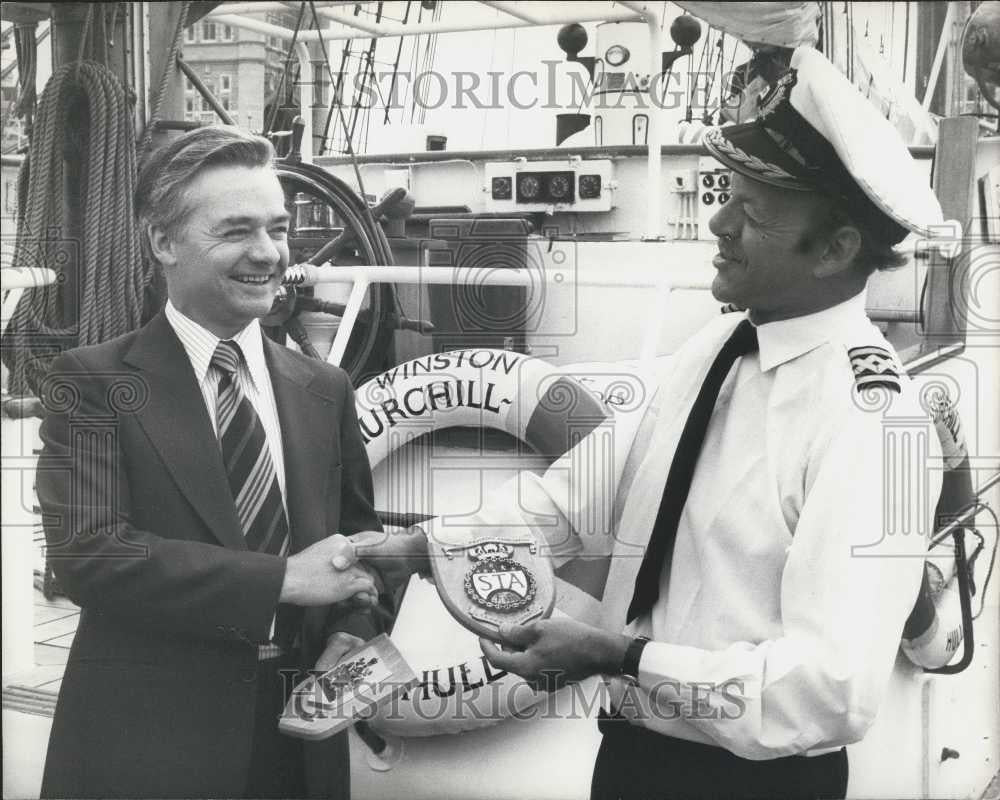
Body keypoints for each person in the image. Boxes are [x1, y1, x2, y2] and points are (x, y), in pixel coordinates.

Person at [354, 47, 949, 799]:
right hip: (634, 759)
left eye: (752, 213)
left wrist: (621, 657)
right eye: (727, 195)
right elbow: (577, 494)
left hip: (752, 784)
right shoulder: (718, 348)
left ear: (835, 249)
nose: (718, 222)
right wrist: (423, 549)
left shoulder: (879, 425)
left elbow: (830, 691)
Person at [37, 125, 382, 799]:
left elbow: (359, 550)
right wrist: (284, 580)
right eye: (236, 231)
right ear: (163, 243)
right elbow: (89, 554)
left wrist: (353, 631)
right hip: (150, 749)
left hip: (302, 748)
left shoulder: (325, 389)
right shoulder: (92, 383)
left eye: (278, 229)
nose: (268, 253)